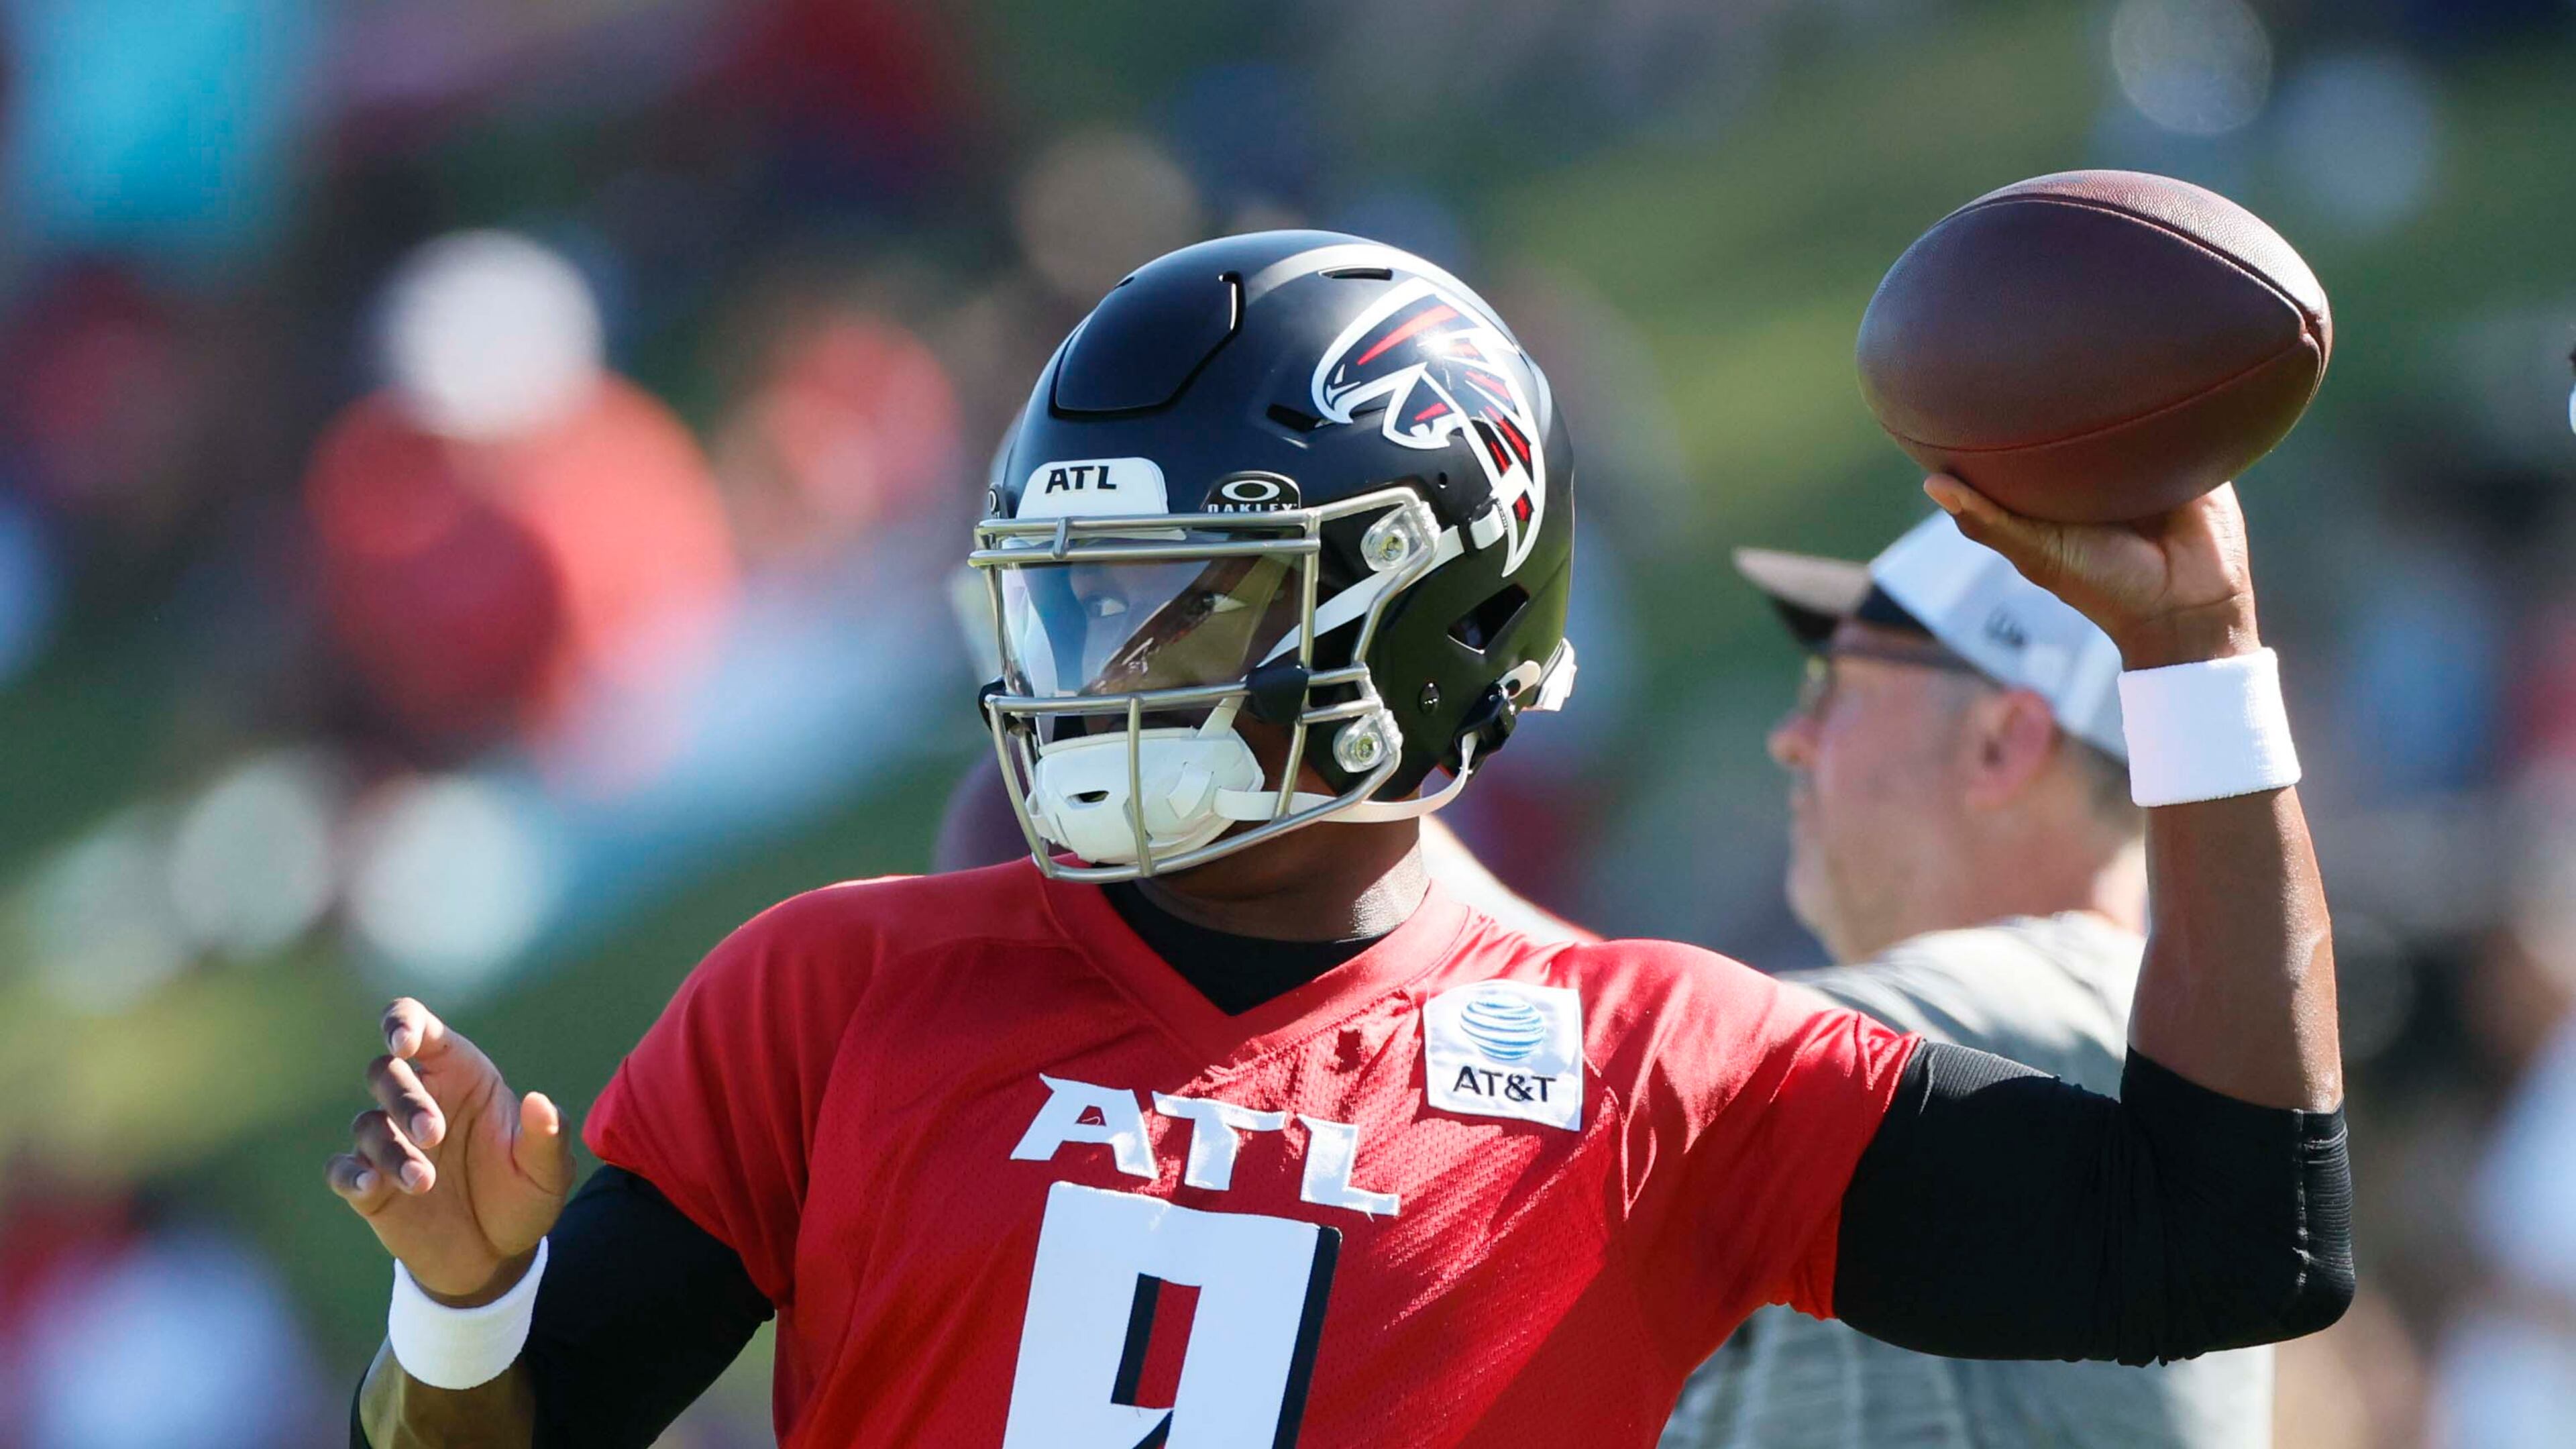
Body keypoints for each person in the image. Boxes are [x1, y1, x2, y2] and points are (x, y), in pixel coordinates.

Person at [326, 231, 2351, 1449]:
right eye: (1070, 591)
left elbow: (2238, 1235)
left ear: (1418, 614)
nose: (1088, 663)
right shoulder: (835, 987)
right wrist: (460, 1305)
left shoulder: (1659, 1067)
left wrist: (2195, 656)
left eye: (1171, 599)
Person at [1659, 516, 2275, 1448]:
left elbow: (1646, 1037)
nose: (1793, 735)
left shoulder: (2068, 1010)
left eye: (1838, 681)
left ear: (2002, 743)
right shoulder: (2108, 1023)